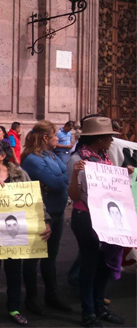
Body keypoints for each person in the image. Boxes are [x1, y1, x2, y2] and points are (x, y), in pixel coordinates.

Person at [68, 116, 131, 327]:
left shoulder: (105, 158)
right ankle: (88, 312)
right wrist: (76, 174)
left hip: (105, 217)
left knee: (104, 264)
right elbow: (75, 197)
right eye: (110, 136)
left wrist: (123, 174)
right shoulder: (76, 159)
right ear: (99, 138)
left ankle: (100, 306)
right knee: (90, 264)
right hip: (85, 217)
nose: (112, 140)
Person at [0, 140, 51, 326]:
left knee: (14, 271)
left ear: (2, 156)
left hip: (15, 231)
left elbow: (35, 200)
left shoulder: (20, 174)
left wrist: (45, 220)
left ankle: (14, 307)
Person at [20, 120, 71, 314]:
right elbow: (58, 184)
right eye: (55, 136)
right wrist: (58, 181)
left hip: (57, 212)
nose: (58, 138)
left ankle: (52, 295)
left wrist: (59, 181)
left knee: (51, 257)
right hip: (41, 214)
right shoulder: (32, 159)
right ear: (45, 138)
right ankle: (31, 299)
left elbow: (65, 178)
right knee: (34, 258)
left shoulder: (51, 154)